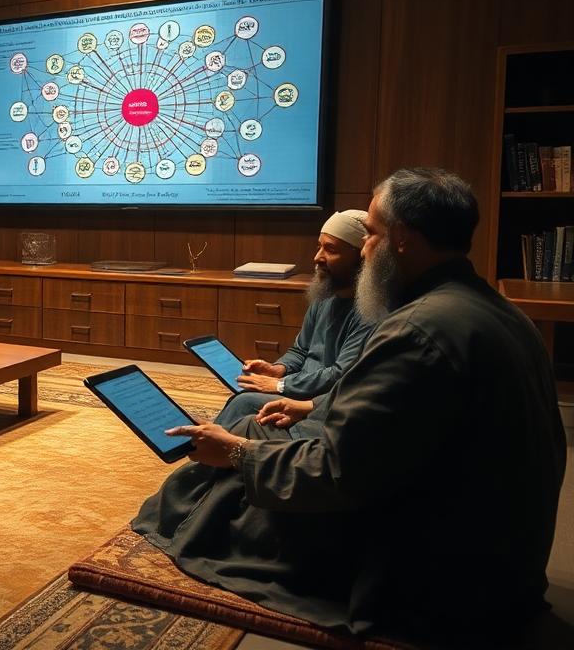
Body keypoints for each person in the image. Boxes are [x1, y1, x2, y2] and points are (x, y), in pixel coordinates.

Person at [132, 168, 565, 644]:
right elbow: (409, 416)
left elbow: (338, 474)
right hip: (503, 557)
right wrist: (311, 407)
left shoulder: (416, 329)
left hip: (445, 579)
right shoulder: (500, 311)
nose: (365, 248)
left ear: (401, 239)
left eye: (372, 234)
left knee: (223, 493)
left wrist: (236, 454)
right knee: (261, 433)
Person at [212, 210, 375, 439]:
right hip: (298, 388)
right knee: (243, 397)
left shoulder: (370, 310)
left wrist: (280, 385)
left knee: (245, 402)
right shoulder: (325, 294)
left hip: (319, 400)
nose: (318, 257)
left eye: (331, 250)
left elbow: (341, 374)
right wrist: (278, 369)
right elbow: (300, 350)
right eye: (319, 246)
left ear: (361, 257)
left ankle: (206, 451)